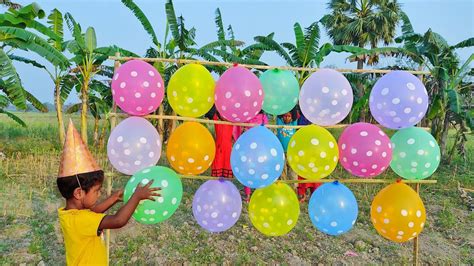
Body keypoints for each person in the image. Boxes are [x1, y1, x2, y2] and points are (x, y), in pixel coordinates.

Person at [57, 120, 160, 265]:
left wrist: (113, 199)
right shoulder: (80, 220)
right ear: (79, 193)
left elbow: (92, 212)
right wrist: (137, 196)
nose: (99, 194)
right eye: (97, 191)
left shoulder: (68, 214)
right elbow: (118, 221)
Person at [233, 110, 269, 202]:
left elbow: (266, 132)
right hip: (248, 148)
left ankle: (258, 194)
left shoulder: (263, 117)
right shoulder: (246, 116)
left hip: (259, 149)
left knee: (258, 171)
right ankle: (248, 195)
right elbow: (239, 131)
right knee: (247, 170)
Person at [296, 110, 321, 202]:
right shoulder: (300, 118)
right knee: (303, 170)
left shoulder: (318, 118)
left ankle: (314, 194)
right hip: (303, 147)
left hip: (315, 148)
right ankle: (302, 193)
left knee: (314, 171)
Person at [276, 109, 298, 181]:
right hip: (282, 152)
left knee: (293, 171)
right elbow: (279, 114)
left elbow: (295, 115)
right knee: (282, 171)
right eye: (285, 116)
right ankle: (283, 187)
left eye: (289, 116)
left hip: (291, 152)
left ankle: (294, 187)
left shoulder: (293, 124)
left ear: (292, 117)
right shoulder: (280, 123)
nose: (287, 118)